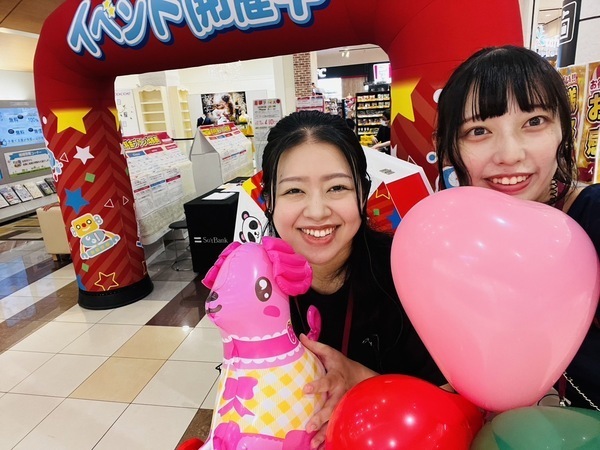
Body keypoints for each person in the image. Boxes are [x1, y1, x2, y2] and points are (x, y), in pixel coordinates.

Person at [261, 110, 445, 448]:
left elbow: (450, 408)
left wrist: (360, 379)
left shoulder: (405, 273)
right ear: (269, 200)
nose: (317, 211)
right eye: (294, 191)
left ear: (362, 193)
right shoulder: (257, 284)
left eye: (337, 187)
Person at [435, 45, 599, 411]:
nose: (509, 155)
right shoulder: (456, 243)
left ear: (562, 130)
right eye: (479, 130)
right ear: (450, 148)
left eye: (534, 122)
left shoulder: (593, 216)